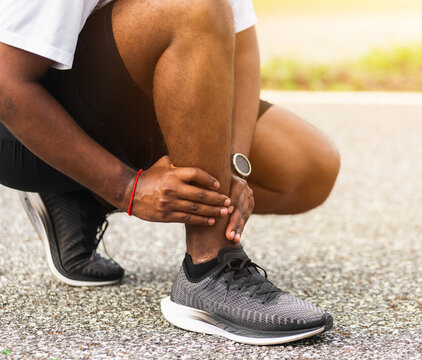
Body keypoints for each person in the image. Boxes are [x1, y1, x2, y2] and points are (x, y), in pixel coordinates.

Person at [0, 0, 340, 345]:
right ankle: (209, 268)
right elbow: (6, 80)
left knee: (308, 166)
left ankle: (83, 195)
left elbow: (244, 51)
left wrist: (232, 164)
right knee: (193, 6)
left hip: (113, 90)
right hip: (18, 130)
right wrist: (125, 187)